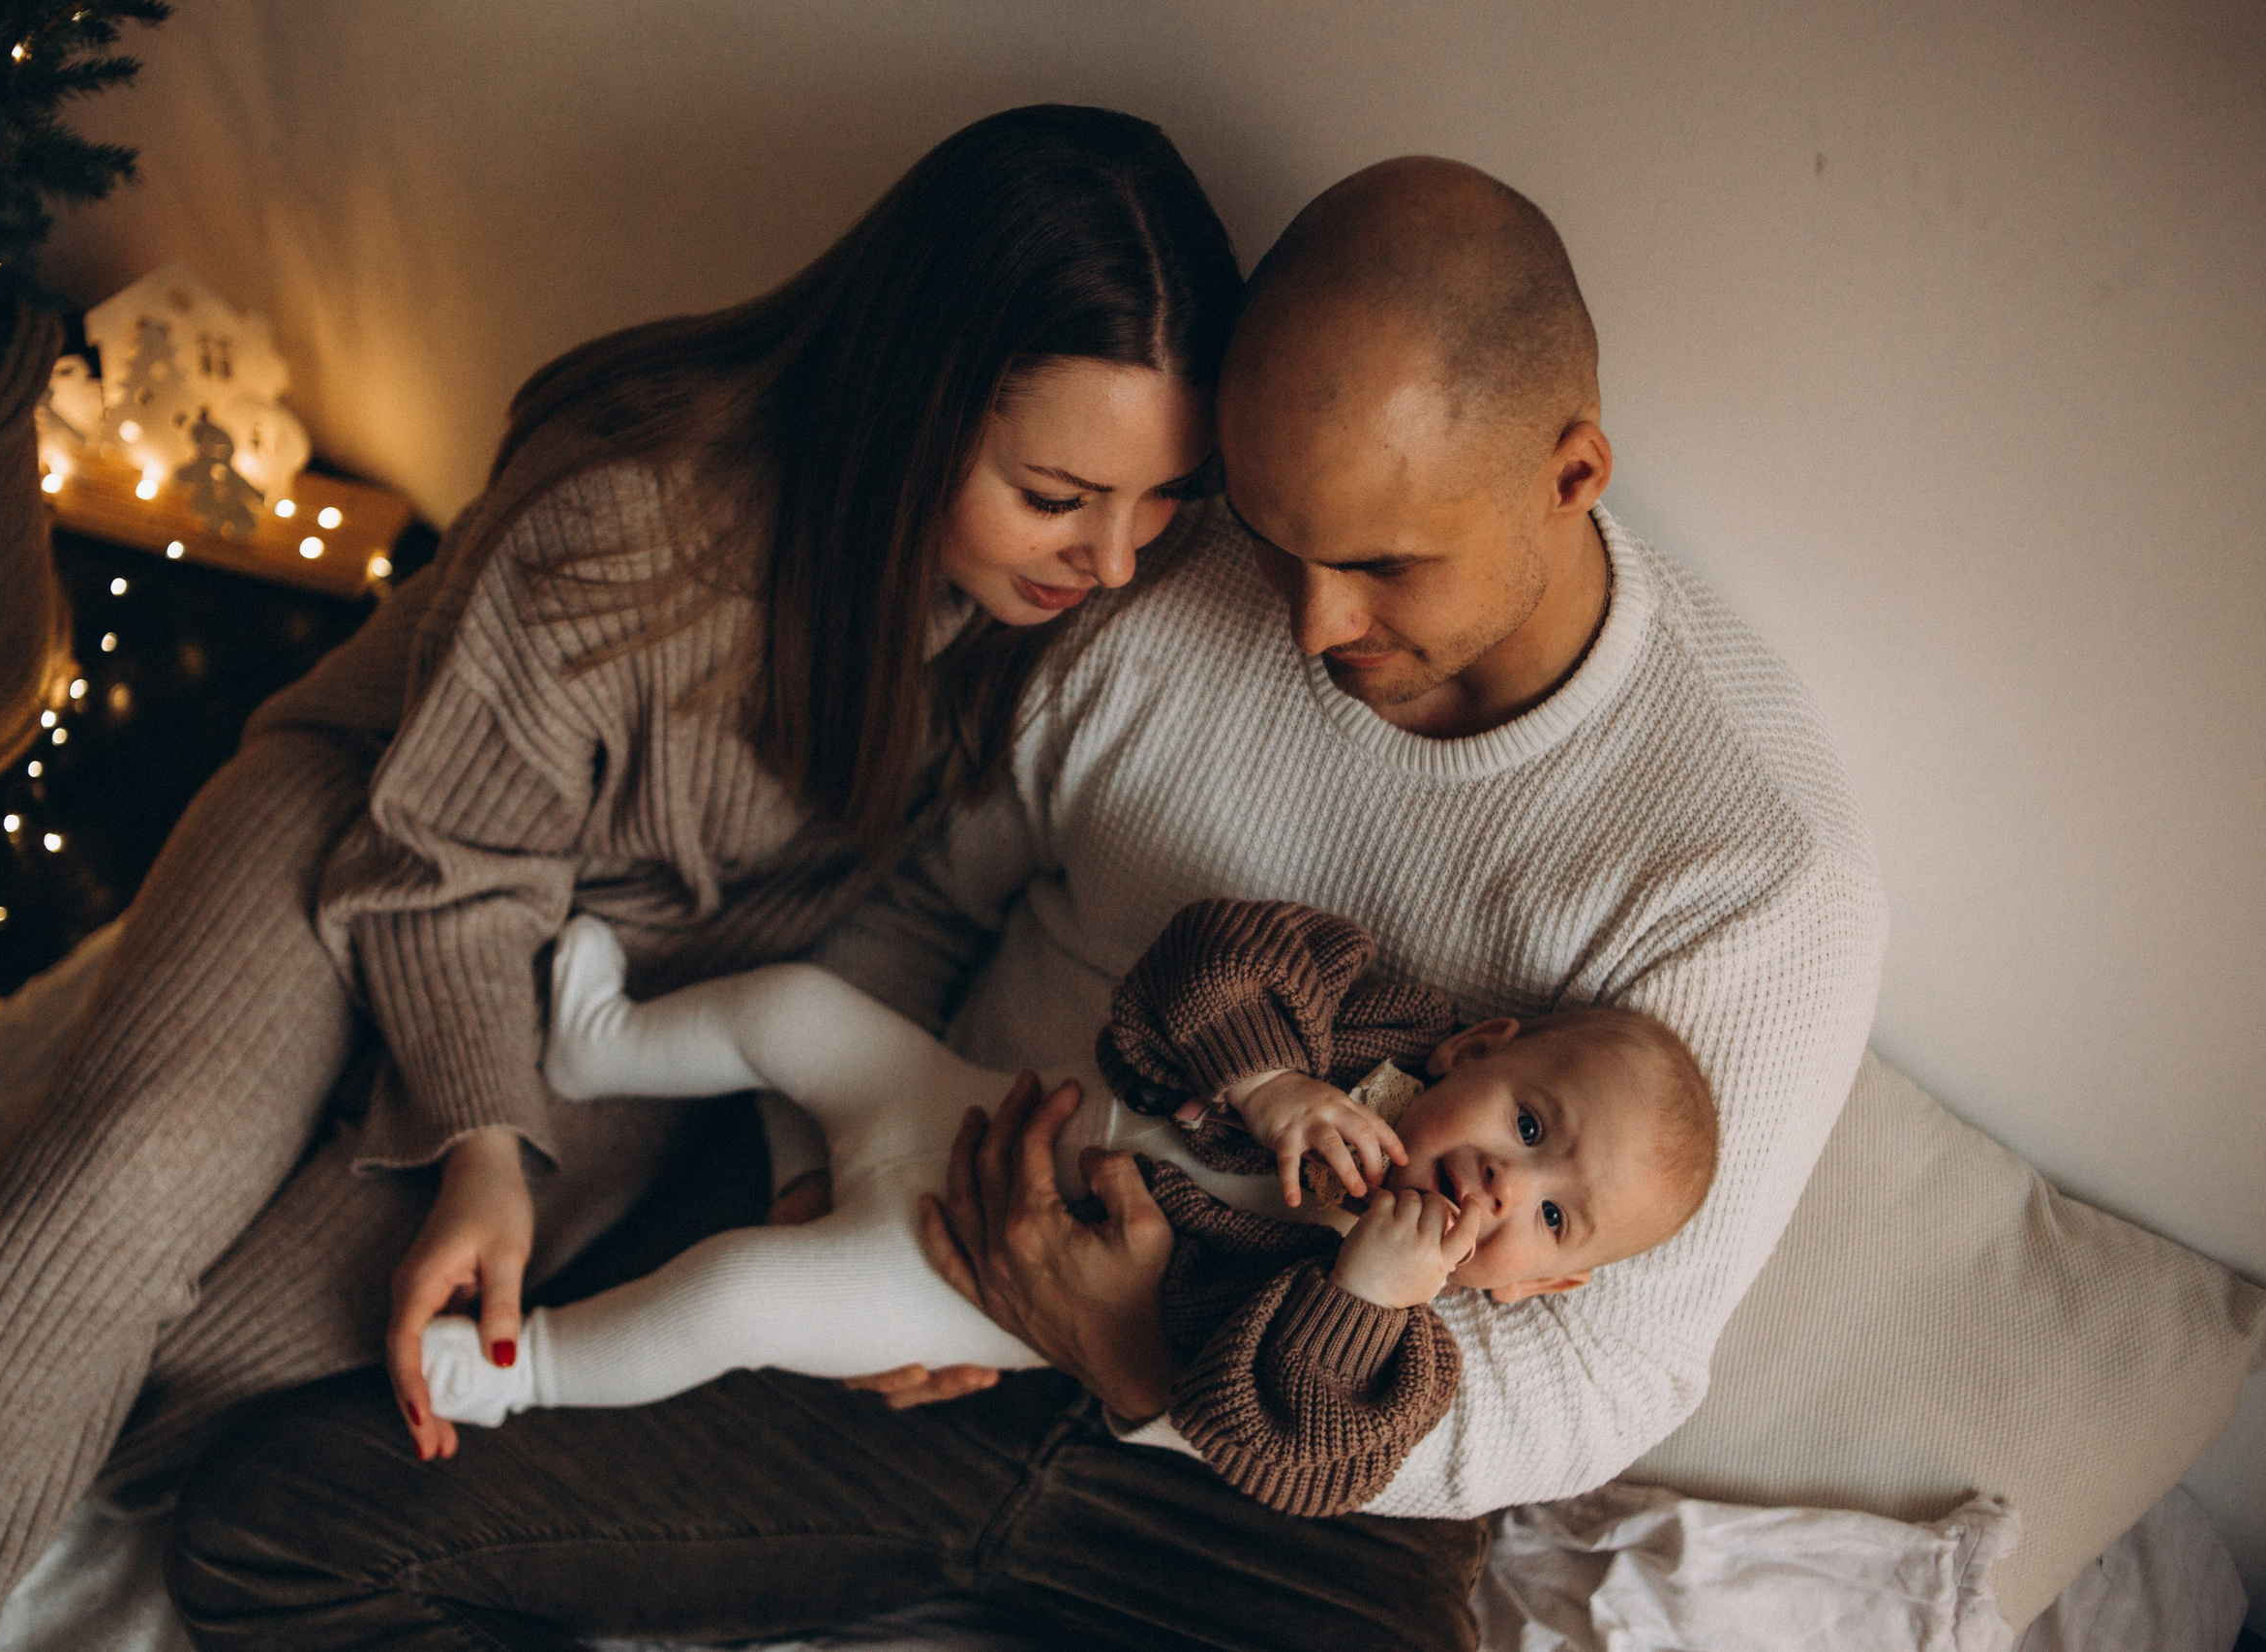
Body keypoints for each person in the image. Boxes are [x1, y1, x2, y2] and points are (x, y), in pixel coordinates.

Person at [166, 157, 1883, 1649]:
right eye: (1275, 538)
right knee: (280, 1528)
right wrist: (807, 1182)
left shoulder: (1753, 879)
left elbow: (1598, 1380)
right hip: (924, 1239)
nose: (1302, 626)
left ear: (1572, 473)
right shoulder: (1162, 578)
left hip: (1275, 1474)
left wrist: (1146, 1364)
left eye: (1379, 566)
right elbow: (903, 911)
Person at [0, 104, 1240, 1652]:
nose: (1117, 562)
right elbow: (448, 860)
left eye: (1161, 500)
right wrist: (482, 1138)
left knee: (243, 1364)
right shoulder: (639, 514)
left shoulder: (1062, 631)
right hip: (394, 826)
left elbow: (887, 938)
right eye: (1058, 495)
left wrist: (815, 1171)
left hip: (630, 996)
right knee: (128, 1178)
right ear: (913, 401)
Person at [421, 897, 1718, 1527]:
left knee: (735, 1295)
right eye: (1530, 1127)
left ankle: (513, 1369)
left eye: (1553, 1220)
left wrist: (1358, 1293)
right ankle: (609, 1043)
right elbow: (1206, 954)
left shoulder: (1396, 1360)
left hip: (943, 1279)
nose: (1506, 1187)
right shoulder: (1362, 1026)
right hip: (951, 1104)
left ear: (1536, 1291)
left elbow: (1272, 1454)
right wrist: (1272, 1083)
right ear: (1482, 1046)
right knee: (788, 1009)